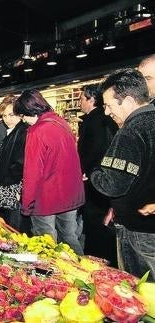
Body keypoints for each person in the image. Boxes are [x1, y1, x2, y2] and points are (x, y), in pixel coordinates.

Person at [90, 69, 155, 279]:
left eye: (109, 105)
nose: (107, 112)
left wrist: (94, 173)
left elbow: (112, 184)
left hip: (138, 231)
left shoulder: (131, 131)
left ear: (127, 100)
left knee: (139, 294)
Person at [14, 89, 84, 255]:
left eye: (23, 116)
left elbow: (32, 172)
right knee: (69, 237)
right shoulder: (61, 123)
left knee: (46, 242)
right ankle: (85, 272)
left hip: (45, 197)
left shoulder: (36, 131)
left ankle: (53, 278)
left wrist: (27, 204)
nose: (23, 121)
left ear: (30, 112)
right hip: (70, 193)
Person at [77, 84, 119, 265]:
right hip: (102, 180)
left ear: (91, 99)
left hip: (96, 182)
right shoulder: (105, 120)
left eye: (81, 98)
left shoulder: (94, 121)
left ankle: (98, 264)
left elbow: (94, 151)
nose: (79, 102)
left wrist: (88, 171)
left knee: (96, 227)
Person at [0, 95, 29, 231]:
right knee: (10, 227)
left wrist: (8, 181)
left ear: (20, 114)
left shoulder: (22, 131)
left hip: (15, 188)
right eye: (4, 116)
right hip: (12, 187)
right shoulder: (13, 131)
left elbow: (21, 163)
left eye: (11, 115)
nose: (7, 119)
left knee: (15, 229)